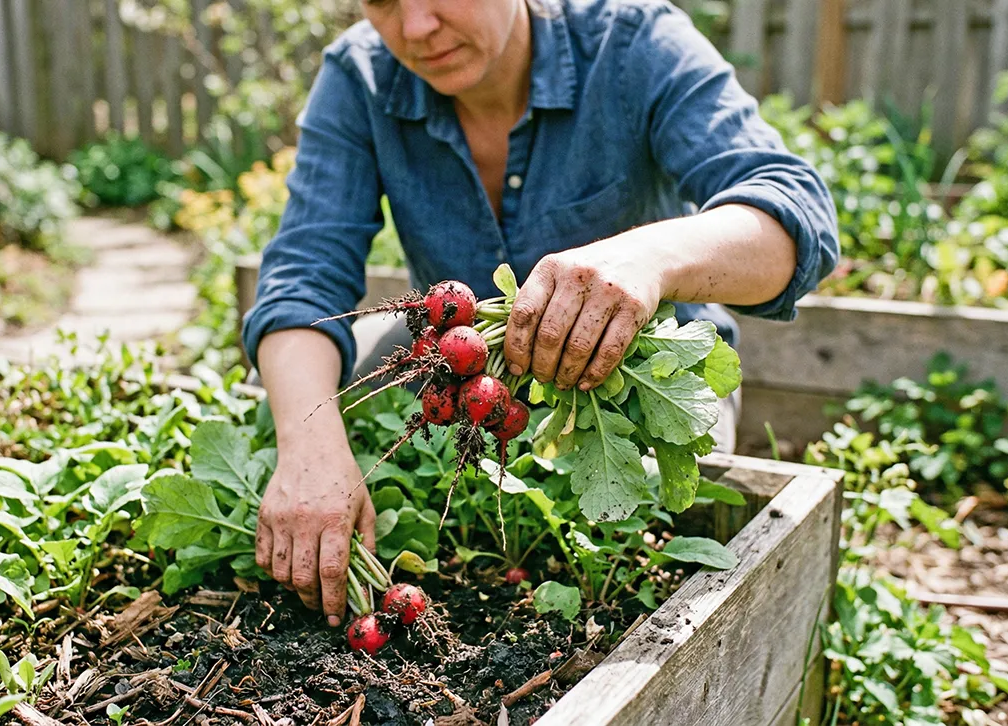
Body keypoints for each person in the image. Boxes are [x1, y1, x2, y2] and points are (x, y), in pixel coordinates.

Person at [241, 0, 840, 628]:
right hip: (462, 369)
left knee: (634, 551)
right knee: (285, 387)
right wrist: (309, 443)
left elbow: (797, 215)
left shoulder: (632, 42)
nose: (415, 28)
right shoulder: (361, 74)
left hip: (639, 382)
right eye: (384, 1)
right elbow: (304, 273)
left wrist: (648, 257)